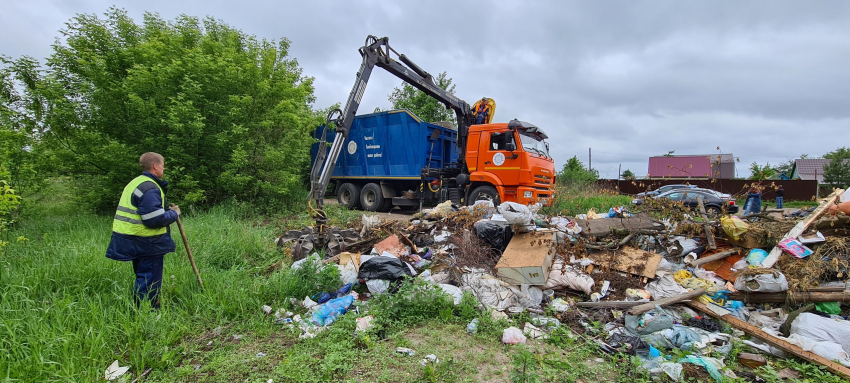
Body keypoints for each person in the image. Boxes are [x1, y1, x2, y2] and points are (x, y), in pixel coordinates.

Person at [106, 152, 180, 308]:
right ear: (155, 166)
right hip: (147, 241)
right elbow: (155, 220)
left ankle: (145, 306)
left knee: (143, 275)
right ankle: (147, 311)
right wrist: (174, 213)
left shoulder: (136, 182)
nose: (164, 168)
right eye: (163, 165)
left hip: (131, 238)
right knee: (149, 277)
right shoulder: (150, 187)